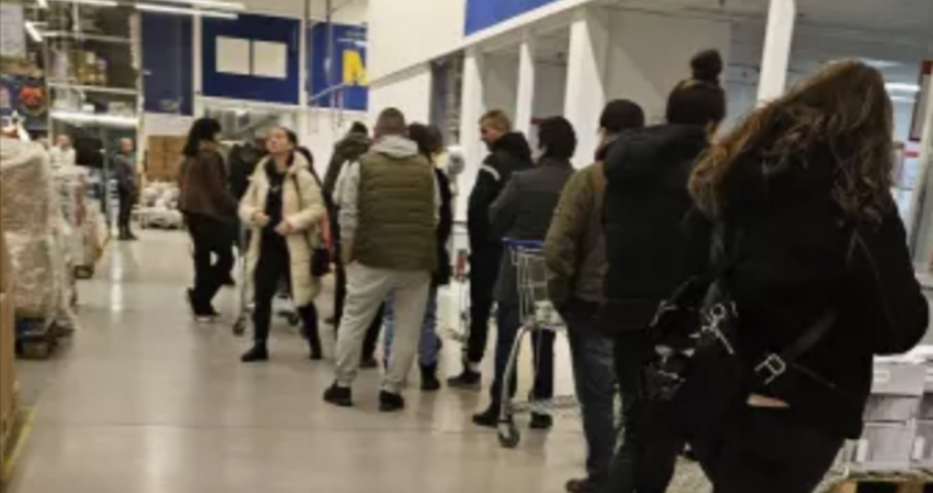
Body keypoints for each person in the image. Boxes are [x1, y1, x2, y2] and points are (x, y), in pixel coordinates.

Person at [684, 60, 929, 493]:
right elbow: (898, 327)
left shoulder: (730, 178)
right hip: (800, 401)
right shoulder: (858, 208)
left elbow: (690, 266)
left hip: (715, 383)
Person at [600, 50, 727, 493]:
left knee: (638, 423)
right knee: (666, 432)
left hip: (625, 306)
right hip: (681, 315)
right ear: (711, 122)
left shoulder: (624, 161)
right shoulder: (710, 171)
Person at [544, 100, 646, 493]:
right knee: (639, 393)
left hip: (593, 303)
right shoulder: (663, 181)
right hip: (646, 305)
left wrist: (562, 293)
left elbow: (558, 245)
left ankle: (603, 475)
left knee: (598, 394)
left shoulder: (589, 179)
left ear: (604, 131)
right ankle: (634, 473)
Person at [324, 108, 438, 412]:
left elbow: (347, 212)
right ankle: (391, 392)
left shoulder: (359, 165)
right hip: (416, 262)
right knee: (407, 328)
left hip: (371, 258)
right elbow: (434, 215)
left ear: (375, 134)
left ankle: (343, 386)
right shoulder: (426, 167)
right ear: (405, 133)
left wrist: (347, 255)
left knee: (354, 320)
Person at [472, 116, 577, 430]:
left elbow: (495, 216)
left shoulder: (522, 180)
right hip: (553, 275)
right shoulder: (577, 182)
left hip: (517, 271)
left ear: (542, 144)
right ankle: (541, 408)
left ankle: (500, 403)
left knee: (508, 339)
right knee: (544, 341)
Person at [449, 109, 533, 389]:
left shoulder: (494, 162)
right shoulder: (529, 164)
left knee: (480, 311)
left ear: (500, 129)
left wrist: (479, 245)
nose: (481, 137)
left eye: (484, 131)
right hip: (519, 252)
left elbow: (477, 208)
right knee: (511, 317)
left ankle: (472, 368)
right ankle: (508, 380)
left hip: (490, 249)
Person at [239, 127, 326, 362]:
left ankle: (315, 343)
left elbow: (317, 208)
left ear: (291, 144)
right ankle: (259, 345)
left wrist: (292, 222)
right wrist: (253, 214)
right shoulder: (260, 174)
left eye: (279, 137)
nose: (273, 141)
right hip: (266, 244)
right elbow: (244, 204)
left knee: (302, 297)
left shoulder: (302, 175)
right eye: (270, 138)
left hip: (294, 246)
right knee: (262, 295)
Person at [382, 123, 454, 391]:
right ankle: (427, 372)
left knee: (393, 315)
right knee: (427, 316)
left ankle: (391, 371)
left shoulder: (392, 174)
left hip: (394, 254)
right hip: (427, 255)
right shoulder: (436, 177)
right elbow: (444, 222)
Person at [178, 118, 238, 320]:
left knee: (202, 258)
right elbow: (218, 190)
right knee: (226, 259)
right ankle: (200, 297)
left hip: (191, 213)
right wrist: (238, 207)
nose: (220, 136)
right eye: (218, 132)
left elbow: (182, 185)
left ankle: (201, 303)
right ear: (211, 134)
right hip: (208, 213)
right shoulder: (211, 156)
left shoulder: (188, 156)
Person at [114, 138, 138, 241]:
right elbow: (121, 175)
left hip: (131, 187)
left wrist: (134, 187)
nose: (129, 147)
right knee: (123, 210)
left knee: (128, 211)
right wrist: (127, 188)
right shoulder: (119, 158)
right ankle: (121, 232)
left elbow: (132, 173)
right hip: (124, 188)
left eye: (130, 145)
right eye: (127, 145)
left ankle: (128, 231)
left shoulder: (130, 157)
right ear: (122, 146)